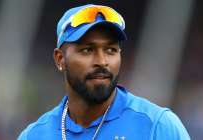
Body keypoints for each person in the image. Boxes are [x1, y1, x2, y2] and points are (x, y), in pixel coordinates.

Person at [18, 4, 190, 140]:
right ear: (60, 59)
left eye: (111, 50)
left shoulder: (158, 126)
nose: (102, 62)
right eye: (87, 50)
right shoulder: (34, 136)